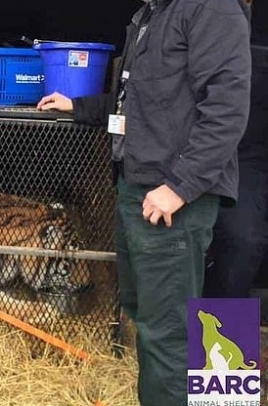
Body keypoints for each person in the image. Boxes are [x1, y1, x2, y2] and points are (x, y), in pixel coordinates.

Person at [36, 0, 251, 405]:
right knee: (149, 314)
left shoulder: (211, 9)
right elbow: (143, 103)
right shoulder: (151, 14)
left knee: (174, 325)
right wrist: (82, 106)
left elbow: (227, 108)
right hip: (146, 185)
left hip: (182, 191)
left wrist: (180, 186)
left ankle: (222, 396)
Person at [203, 43, 268, 299]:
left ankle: (226, 334)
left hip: (245, 162)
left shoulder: (259, 61)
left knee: (243, 240)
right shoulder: (182, 46)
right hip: (183, 160)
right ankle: (173, 335)